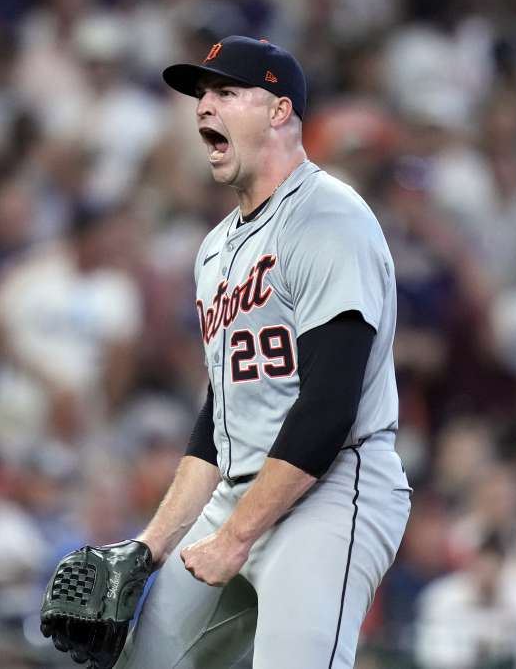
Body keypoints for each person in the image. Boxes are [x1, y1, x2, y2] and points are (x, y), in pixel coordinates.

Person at [115, 36, 411, 668]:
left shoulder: (331, 217)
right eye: (201, 95)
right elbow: (217, 421)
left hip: (333, 488)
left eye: (225, 92)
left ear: (280, 111)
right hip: (238, 494)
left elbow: (329, 405)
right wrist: (152, 543)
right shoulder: (215, 249)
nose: (203, 107)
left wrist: (236, 538)